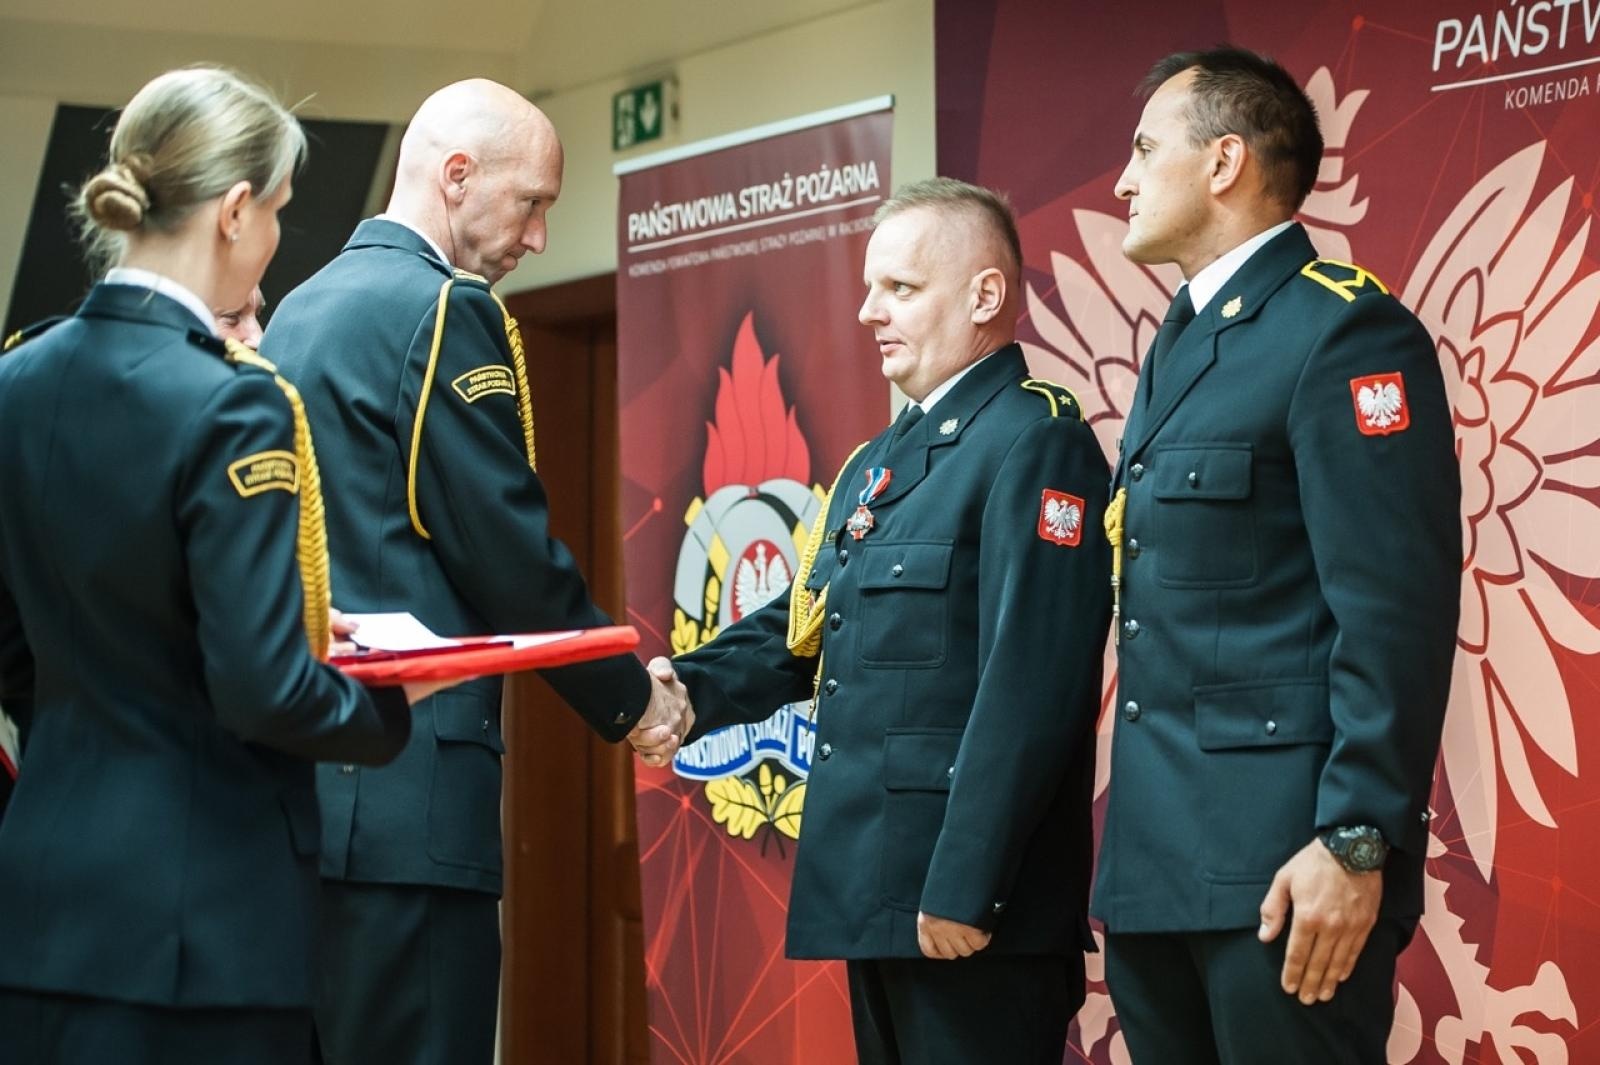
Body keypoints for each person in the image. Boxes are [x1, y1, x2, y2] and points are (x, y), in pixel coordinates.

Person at [0, 67, 442, 1064]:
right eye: (280, 211)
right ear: (236, 210)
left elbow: (13, 652)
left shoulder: (15, 381)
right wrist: (387, 702)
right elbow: (262, 687)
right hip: (204, 923)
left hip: (39, 903)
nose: (277, 237)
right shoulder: (233, 403)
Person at [258, 78, 689, 1065]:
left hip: (301, 796)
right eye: (532, 203)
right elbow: (504, 549)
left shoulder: (298, 312)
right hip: (410, 811)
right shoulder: (443, 310)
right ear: (457, 176)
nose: (538, 237)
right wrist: (631, 701)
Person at [662, 178, 1112, 1064]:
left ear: (987, 296)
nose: (869, 311)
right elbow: (809, 625)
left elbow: (1033, 684)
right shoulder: (882, 458)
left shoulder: (1035, 438)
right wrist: (684, 688)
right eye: (870, 288)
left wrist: (967, 883)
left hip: (972, 909)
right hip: (881, 891)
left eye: (900, 288)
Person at [1093, 47, 1460, 1064]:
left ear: (1223, 162)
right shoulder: (1182, 341)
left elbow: (1393, 609)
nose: (1121, 180)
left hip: (1286, 871)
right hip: (1159, 872)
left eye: (1142, 149)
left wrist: (1356, 839)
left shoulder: (1341, 333)